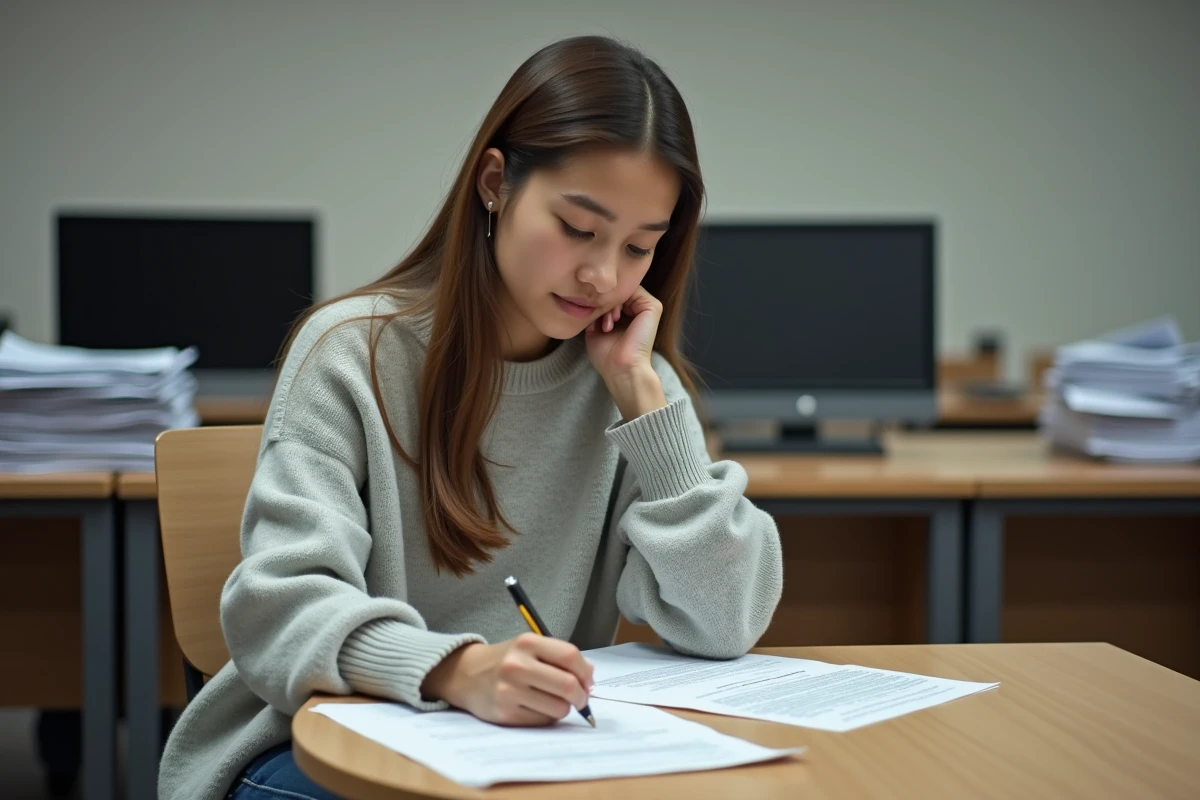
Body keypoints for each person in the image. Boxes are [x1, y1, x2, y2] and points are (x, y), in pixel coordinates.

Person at [158, 35, 783, 800]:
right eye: (579, 228)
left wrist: (647, 406)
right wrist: (453, 669)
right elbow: (279, 609)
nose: (602, 275)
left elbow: (729, 621)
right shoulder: (352, 355)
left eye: (639, 248)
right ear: (495, 182)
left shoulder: (629, 380)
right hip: (315, 742)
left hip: (528, 759)